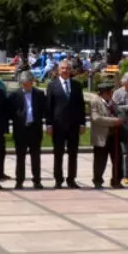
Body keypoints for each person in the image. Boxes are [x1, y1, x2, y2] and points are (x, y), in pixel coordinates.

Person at [46, 59, 86, 189]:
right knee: (58, 154)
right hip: (58, 126)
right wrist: (49, 124)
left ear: (71, 70)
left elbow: (81, 106)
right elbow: (49, 107)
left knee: (73, 154)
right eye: (63, 68)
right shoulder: (52, 85)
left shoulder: (76, 85)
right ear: (58, 70)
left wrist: (82, 123)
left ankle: (71, 179)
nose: (65, 71)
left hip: (73, 125)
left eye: (68, 68)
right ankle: (58, 179)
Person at [13, 72, 46, 190]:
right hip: (21, 130)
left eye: (28, 83)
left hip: (35, 129)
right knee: (20, 157)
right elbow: (11, 111)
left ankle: (37, 180)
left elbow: (44, 110)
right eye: (24, 84)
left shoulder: (39, 94)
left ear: (32, 82)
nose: (26, 86)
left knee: (35, 157)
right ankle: (19, 181)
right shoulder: (15, 95)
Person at [88, 83, 123, 189]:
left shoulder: (113, 103)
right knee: (100, 160)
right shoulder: (95, 102)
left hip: (114, 135)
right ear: (103, 93)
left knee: (117, 159)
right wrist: (114, 121)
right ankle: (98, 181)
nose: (111, 94)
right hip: (101, 136)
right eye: (109, 92)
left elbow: (120, 112)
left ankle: (116, 180)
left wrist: (121, 118)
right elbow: (96, 118)